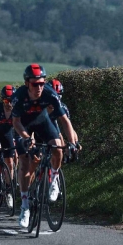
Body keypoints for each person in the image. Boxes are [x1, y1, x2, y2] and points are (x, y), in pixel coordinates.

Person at [12, 64, 80, 229]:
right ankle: (25, 207)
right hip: (23, 128)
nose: (39, 87)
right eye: (35, 84)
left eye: (42, 83)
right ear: (27, 83)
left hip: (42, 122)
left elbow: (65, 121)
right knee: (25, 165)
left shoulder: (50, 93)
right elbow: (16, 123)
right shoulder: (19, 96)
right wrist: (27, 138)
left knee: (57, 147)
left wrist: (72, 143)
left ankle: (54, 177)